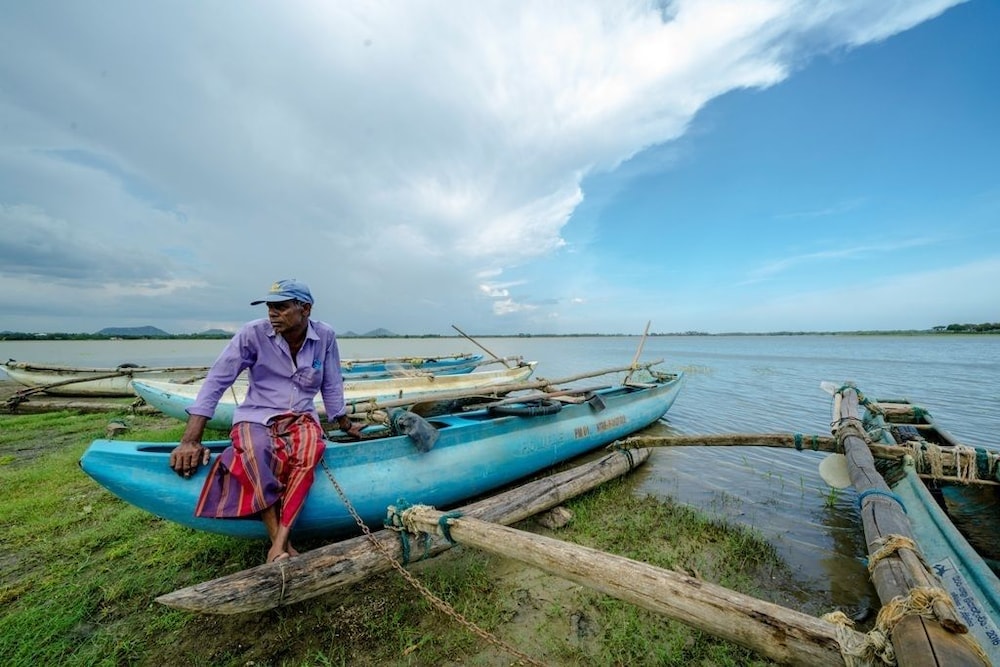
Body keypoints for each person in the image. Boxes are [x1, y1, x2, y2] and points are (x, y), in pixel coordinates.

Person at [169, 278, 362, 564]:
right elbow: (217, 380)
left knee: (309, 452)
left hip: (301, 415)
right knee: (256, 452)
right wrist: (190, 440)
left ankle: (280, 541)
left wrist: (345, 424)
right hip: (256, 414)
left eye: (281, 307)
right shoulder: (253, 334)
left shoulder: (325, 336)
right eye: (270, 307)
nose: (272, 314)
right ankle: (279, 543)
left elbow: (332, 384)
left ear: (305, 309)